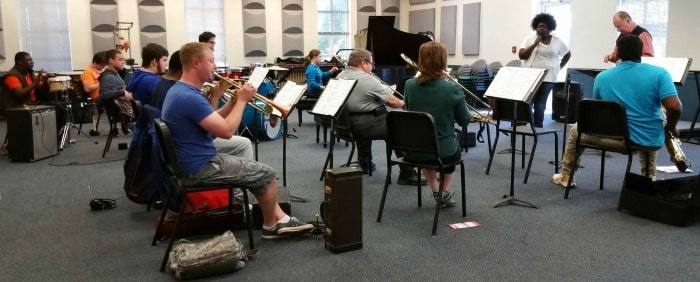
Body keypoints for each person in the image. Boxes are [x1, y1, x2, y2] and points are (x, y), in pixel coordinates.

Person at [162, 42, 312, 239]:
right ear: (196, 63)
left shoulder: (181, 91)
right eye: (211, 61)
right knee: (267, 174)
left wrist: (232, 103)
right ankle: (270, 227)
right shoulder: (190, 98)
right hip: (199, 168)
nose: (215, 67)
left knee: (257, 171)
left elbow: (213, 122)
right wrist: (241, 101)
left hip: (192, 162)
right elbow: (227, 131)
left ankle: (280, 218)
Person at [552, 34, 681, 187]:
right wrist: (671, 126)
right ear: (641, 52)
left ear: (618, 52)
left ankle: (567, 176)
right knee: (652, 125)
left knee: (575, 130)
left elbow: (599, 112)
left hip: (614, 138)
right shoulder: (660, 74)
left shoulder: (602, 77)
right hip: (648, 140)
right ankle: (649, 177)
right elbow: (674, 107)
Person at [337, 48, 425, 185]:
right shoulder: (367, 79)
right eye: (371, 63)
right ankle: (407, 173)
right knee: (399, 127)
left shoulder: (340, 75)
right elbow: (393, 102)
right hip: (364, 126)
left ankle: (365, 163)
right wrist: (406, 102)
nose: (372, 67)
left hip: (345, 124)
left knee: (370, 117)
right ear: (363, 63)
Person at [404, 42, 470, 207]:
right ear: (443, 61)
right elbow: (464, 120)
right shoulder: (452, 88)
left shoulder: (409, 85)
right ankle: (443, 191)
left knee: (428, 144)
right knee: (452, 152)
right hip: (443, 152)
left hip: (414, 150)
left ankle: (435, 189)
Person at [518, 13, 571, 128]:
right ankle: (525, 122)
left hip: (548, 76)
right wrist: (534, 44)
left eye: (544, 27)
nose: (541, 29)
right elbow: (521, 55)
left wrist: (559, 67)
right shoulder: (529, 40)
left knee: (540, 102)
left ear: (550, 28)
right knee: (527, 100)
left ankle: (538, 125)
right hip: (531, 76)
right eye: (539, 26)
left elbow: (567, 54)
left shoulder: (557, 41)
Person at [99, 49, 133, 136]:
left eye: (123, 60)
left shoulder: (113, 74)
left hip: (124, 110)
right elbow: (104, 94)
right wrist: (122, 92)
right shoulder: (108, 76)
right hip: (121, 113)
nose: (123, 62)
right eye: (120, 60)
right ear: (111, 60)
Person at [126, 43, 169, 107]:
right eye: (164, 60)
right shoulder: (152, 82)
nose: (166, 64)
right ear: (154, 62)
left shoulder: (137, 74)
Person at [80, 51, 108, 136]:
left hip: (105, 93)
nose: (103, 67)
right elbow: (87, 88)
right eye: (101, 65)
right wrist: (103, 82)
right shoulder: (87, 72)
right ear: (95, 62)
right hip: (98, 96)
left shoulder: (101, 70)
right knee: (117, 100)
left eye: (104, 66)